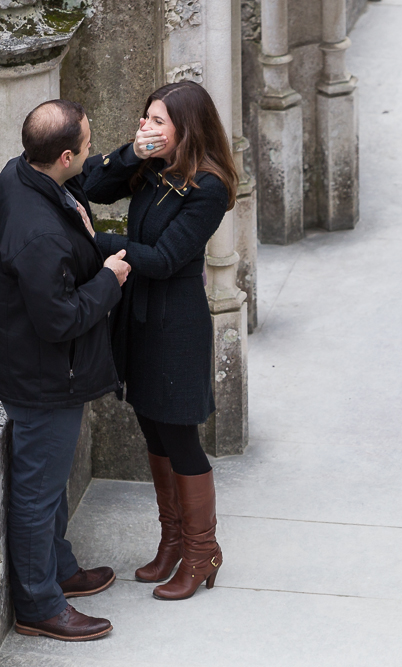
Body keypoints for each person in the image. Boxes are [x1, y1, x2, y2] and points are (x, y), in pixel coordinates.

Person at [82, 81, 237, 601]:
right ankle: (172, 542)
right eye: (144, 119)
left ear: (185, 129)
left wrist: (97, 242)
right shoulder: (152, 169)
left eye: (157, 123)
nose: (146, 128)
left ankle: (202, 551)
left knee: (180, 436)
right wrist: (131, 153)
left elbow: (166, 259)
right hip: (139, 317)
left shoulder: (208, 187)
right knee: (151, 426)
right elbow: (90, 183)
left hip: (176, 325)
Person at [0, 99, 132, 640]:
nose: (91, 153)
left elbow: (77, 186)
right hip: (45, 377)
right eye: (87, 146)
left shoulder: (16, 176)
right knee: (36, 493)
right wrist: (108, 280)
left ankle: (61, 570)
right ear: (64, 154)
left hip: (33, 366)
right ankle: (40, 605)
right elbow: (60, 319)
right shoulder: (40, 234)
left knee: (51, 486)